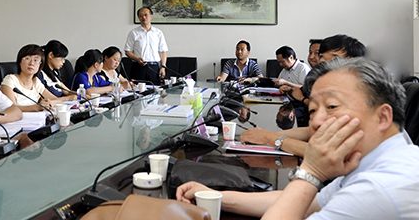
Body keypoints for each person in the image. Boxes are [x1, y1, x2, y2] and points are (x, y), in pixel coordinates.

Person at [177, 58, 419, 220]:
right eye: (313, 110)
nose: (316, 122)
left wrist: (311, 172)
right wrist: (213, 196)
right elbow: (307, 201)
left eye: (332, 106)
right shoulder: (377, 162)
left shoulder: (380, 189)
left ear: (382, 116)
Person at [240, 34, 366, 157]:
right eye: (321, 56)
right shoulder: (328, 85)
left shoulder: (356, 95)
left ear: (350, 60)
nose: (320, 61)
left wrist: (271, 138)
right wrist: (266, 135)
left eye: (333, 58)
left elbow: (326, 153)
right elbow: (311, 130)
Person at [0, 44, 65, 112]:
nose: (31, 63)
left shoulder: (36, 81)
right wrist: (37, 107)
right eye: (27, 58)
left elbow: (58, 100)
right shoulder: (10, 80)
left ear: (40, 65)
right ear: (20, 62)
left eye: (36, 60)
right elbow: (11, 108)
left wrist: (48, 103)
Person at [124, 7, 168, 84]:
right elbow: (128, 51)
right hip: (138, 67)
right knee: (137, 90)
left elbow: (163, 51)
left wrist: (163, 67)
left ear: (151, 16)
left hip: (154, 67)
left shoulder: (158, 33)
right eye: (141, 15)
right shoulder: (134, 33)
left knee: (155, 89)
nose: (143, 17)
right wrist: (137, 59)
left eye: (146, 15)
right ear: (138, 18)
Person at [274, 46, 311, 126]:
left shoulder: (302, 68)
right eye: (279, 62)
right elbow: (281, 84)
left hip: (301, 104)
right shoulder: (284, 70)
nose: (280, 64)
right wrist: (280, 86)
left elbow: (304, 87)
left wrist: (286, 83)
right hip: (288, 102)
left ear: (291, 57)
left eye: (282, 62)